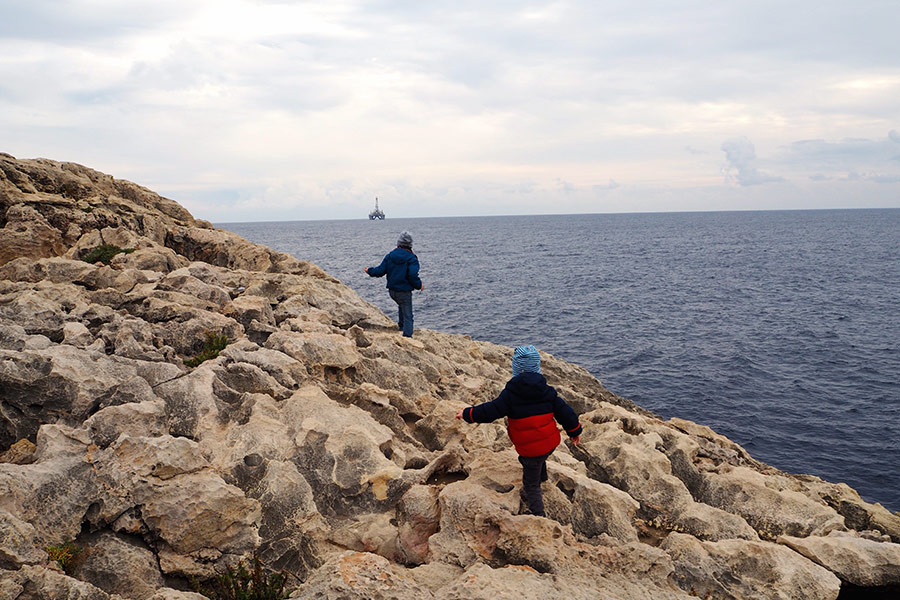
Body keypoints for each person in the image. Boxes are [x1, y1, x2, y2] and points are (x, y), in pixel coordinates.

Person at [456, 345, 582, 517]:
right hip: (550, 443)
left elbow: (490, 411)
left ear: (516, 368)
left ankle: (539, 515)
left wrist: (467, 413)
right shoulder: (547, 391)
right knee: (540, 457)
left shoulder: (510, 394)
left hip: (529, 450)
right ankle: (542, 477)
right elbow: (566, 414)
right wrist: (574, 431)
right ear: (537, 367)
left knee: (531, 484)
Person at [364, 231, 424, 337]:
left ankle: (401, 328)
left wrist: (369, 270)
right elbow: (412, 275)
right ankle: (407, 337)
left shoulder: (390, 255)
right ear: (410, 245)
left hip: (392, 292)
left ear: (398, 243)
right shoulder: (412, 258)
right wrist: (419, 285)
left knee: (401, 306)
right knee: (408, 315)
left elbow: (380, 271)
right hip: (404, 292)